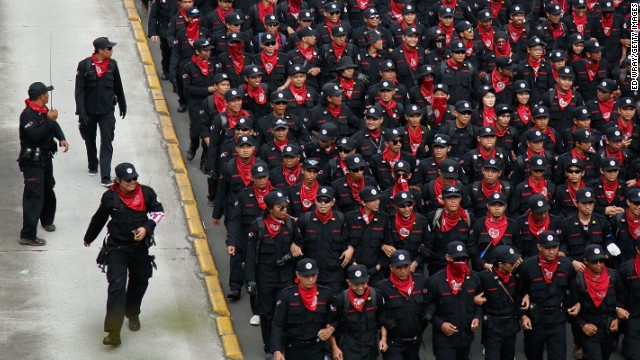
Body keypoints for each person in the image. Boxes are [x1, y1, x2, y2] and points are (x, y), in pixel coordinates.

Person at [83, 163, 165, 346]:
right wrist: (89, 237)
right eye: (128, 180)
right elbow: (99, 218)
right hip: (116, 249)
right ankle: (113, 332)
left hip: (139, 250)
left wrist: (147, 228)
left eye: (135, 178)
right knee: (117, 287)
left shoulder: (147, 193)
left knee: (141, 280)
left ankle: (133, 313)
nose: (132, 182)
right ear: (118, 180)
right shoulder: (109, 197)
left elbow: (158, 213)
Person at [244, 190, 297, 356]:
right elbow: (251, 254)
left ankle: (282, 347)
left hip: (285, 278)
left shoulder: (290, 224)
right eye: (280, 206)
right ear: (269, 208)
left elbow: (301, 244)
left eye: (286, 206)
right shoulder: (258, 226)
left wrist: (290, 253)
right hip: (265, 278)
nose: (284, 209)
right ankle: (269, 347)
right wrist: (250, 280)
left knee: (285, 314)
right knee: (267, 315)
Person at [18, 82, 69, 246]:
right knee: (34, 196)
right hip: (32, 162)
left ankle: (47, 220)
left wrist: (61, 138)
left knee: (48, 189)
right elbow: (35, 135)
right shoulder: (27, 115)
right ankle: (28, 235)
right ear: (41, 96)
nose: (48, 95)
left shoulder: (44, 111)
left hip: (46, 159)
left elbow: (52, 126)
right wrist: (49, 120)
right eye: (46, 93)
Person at [517, 231, 578, 360]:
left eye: (554, 247)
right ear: (539, 247)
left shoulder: (566, 265)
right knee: (533, 355)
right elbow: (518, 292)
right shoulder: (527, 267)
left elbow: (573, 289)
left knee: (558, 356)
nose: (551, 251)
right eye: (547, 248)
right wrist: (522, 315)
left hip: (557, 319)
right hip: (536, 319)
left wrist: (577, 303)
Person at [75, 37, 127, 187]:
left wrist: (123, 105)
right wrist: (81, 111)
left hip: (107, 111)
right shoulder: (84, 65)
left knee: (107, 140)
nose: (111, 51)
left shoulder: (113, 65)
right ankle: (92, 164)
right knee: (89, 138)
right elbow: (79, 90)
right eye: (109, 49)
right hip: (89, 111)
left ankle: (105, 174)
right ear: (100, 50)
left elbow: (118, 87)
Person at [425, 241, 482, 360]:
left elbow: (479, 302)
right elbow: (426, 309)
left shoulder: (474, 278)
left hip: (465, 336)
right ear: (447, 257)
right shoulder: (435, 281)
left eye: (463, 258)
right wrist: (440, 324)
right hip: (444, 339)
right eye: (457, 258)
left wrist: (476, 317)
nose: (460, 262)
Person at [271, 258, 336, 360]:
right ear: (298, 275)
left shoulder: (326, 294)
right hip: (294, 348)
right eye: (306, 276)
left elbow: (334, 319)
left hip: (317, 347)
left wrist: (330, 329)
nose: (310, 279)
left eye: (313, 275)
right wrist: (277, 350)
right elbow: (277, 324)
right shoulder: (287, 295)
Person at [570, 244, 625, 360]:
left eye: (601, 261)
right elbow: (570, 308)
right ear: (586, 261)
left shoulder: (614, 277)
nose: (599, 265)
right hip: (590, 328)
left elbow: (621, 299)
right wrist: (583, 325)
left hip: (608, 328)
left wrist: (617, 319)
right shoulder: (578, 281)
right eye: (594, 261)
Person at [377, 250, 429, 360]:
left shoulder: (421, 281)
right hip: (394, 343)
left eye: (406, 266)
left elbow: (430, 303)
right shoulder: (382, 288)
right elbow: (377, 314)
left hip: (415, 342)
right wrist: (384, 330)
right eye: (399, 267)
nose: (403, 271)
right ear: (391, 267)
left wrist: (428, 314)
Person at [477, 245, 522, 360]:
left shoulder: (516, 275)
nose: (514, 264)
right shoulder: (484, 277)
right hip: (493, 328)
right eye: (511, 263)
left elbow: (519, 295)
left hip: (510, 325)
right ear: (500, 265)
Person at [330, 264, 382, 360]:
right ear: (348, 282)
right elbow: (332, 322)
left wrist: (383, 338)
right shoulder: (341, 299)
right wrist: (334, 347)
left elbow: (382, 317)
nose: (360, 287)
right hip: (349, 348)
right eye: (356, 284)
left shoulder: (375, 295)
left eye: (363, 283)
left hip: (370, 348)